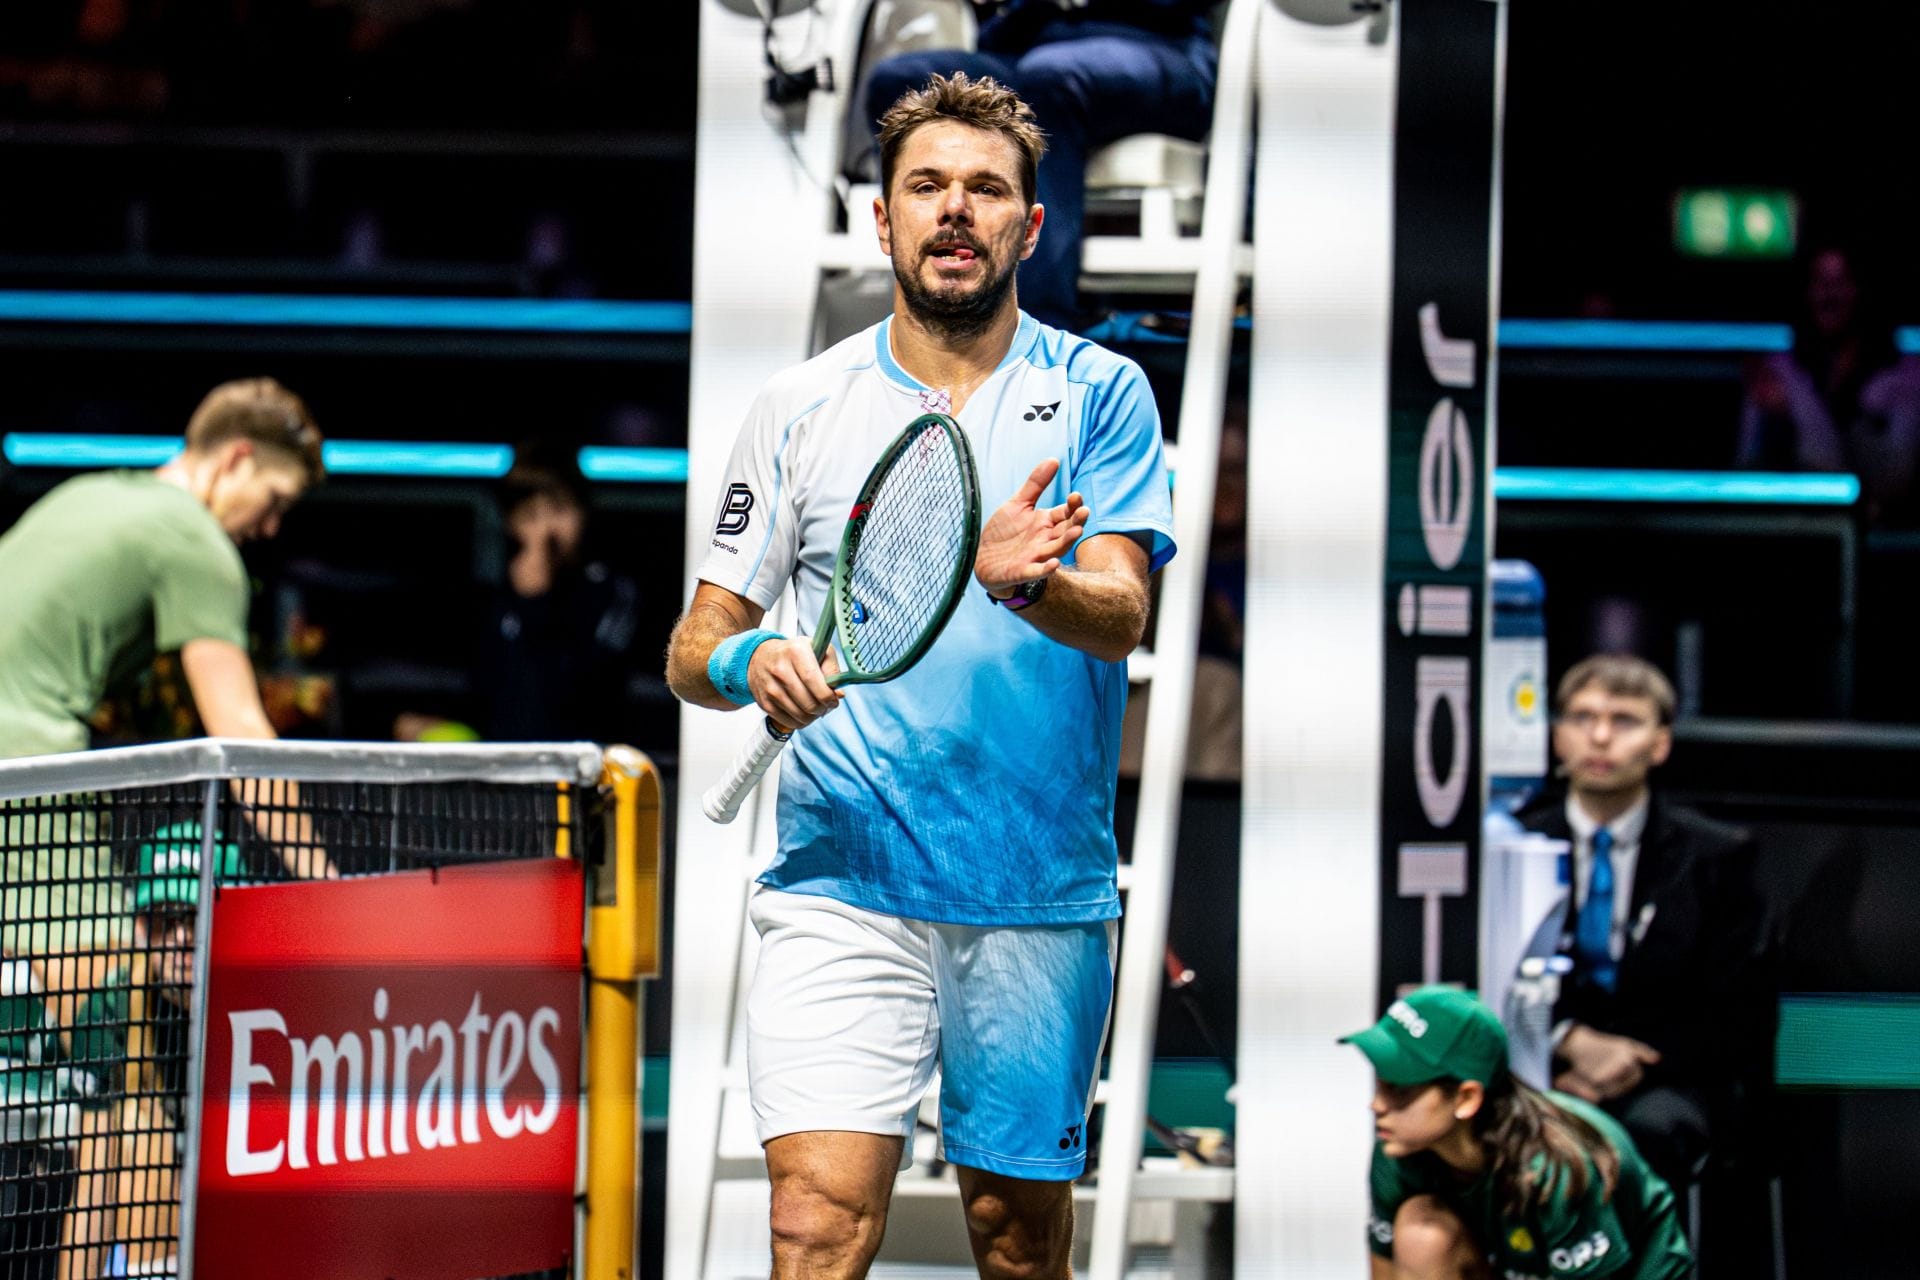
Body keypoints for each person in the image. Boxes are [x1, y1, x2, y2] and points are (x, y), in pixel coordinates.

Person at [664, 73, 1174, 1279]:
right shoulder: (796, 406)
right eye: (927, 187)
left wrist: (1024, 582)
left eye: (987, 189)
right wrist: (752, 656)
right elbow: (693, 649)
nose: (957, 210)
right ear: (881, 219)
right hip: (842, 878)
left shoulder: (1104, 396)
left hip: (1035, 891)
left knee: (1015, 1238)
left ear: (1029, 227)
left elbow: (1121, 614)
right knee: (813, 1224)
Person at [0, 377, 330, 1000]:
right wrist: (326, 885)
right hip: (20, 770)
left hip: (23, 756)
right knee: (121, 1034)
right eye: (274, 499)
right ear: (238, 459)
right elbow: (243, 740)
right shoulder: (195, 542)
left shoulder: (88, 495)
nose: (271, 527)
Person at [1516, 655, 1772, 1193]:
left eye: (1625, 720)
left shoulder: (1716, 856)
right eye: (1582, 718)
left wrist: (1622, 1067)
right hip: (1534, 1063)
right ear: (1557, 735)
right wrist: (1570, 1041)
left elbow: (1734, 1012)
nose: (1601, 736)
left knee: (1642, 1136)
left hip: (1668, 1077)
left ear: (1660, 743)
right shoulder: (1514, 845)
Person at [860, 0, 1218, 331]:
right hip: (1022, 46)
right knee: (898, 81)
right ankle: (931, 314)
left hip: (1157, 44)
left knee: (1049, 77)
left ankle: (1032, 334)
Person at [1343, 985, 1693, 1280]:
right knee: (1422, 1234)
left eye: (1401, 1090)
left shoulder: (1560, 1164)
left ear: (1466, 1098)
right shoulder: (1400, 1145)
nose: (1378, 1105)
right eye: (1380, 1083)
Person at [56, 823, 243, 1280]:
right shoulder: (109, 1011)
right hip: (147, 1247)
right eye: (166, 918)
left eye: (197, 917)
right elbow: (92, 1190)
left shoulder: (273, 1007)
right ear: (142, 926)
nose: (182, 937)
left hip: (241, 1238)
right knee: (138, 1121)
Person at [1736, 245, 1920, 526]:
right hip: (1798, 534)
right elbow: (1746, 473)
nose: (1829, 295)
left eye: (1841, 282)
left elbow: (1894, 482)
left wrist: (1800, 413)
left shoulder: (1904, 374)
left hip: (1885, 540)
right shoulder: (1780, 371)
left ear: (1862, 290)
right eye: (1820, 282)